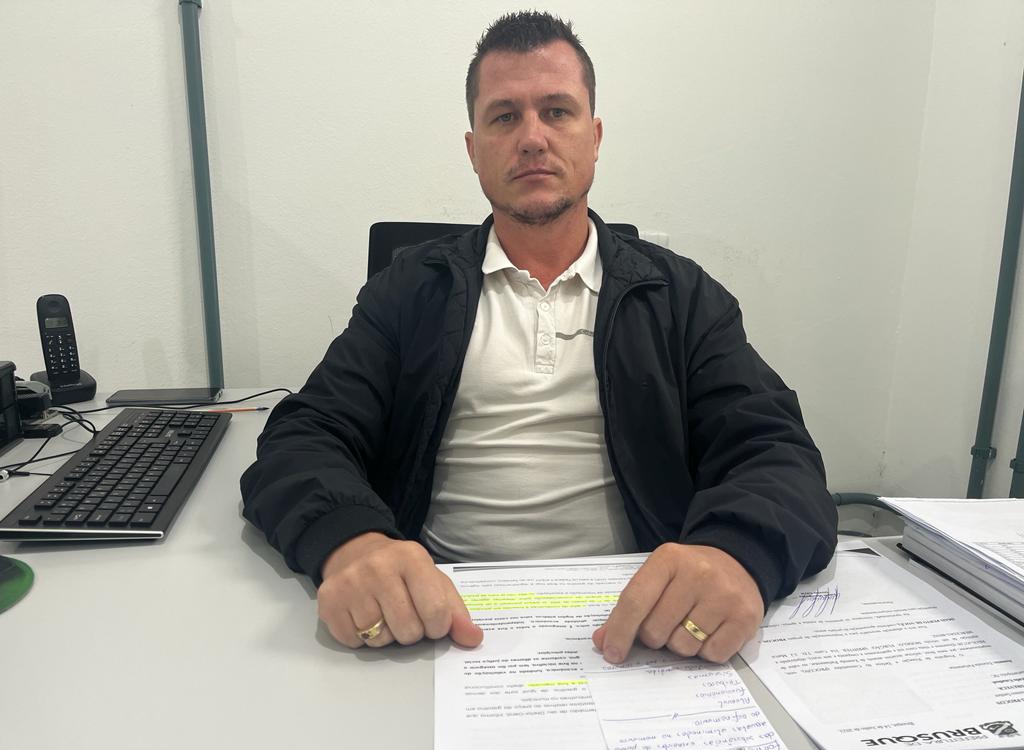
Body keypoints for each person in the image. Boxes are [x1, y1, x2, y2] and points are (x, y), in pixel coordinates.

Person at [240, 11, 837, 665]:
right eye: (504, 117)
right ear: (474, 150)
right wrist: (352, 543)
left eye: (557, 111)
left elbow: (775, 451)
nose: (532, 138)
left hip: (640, 625)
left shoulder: (681, 297)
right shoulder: (409, 291)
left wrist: (735, 553)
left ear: (594, 137)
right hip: (435, 619)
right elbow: (305, 437)